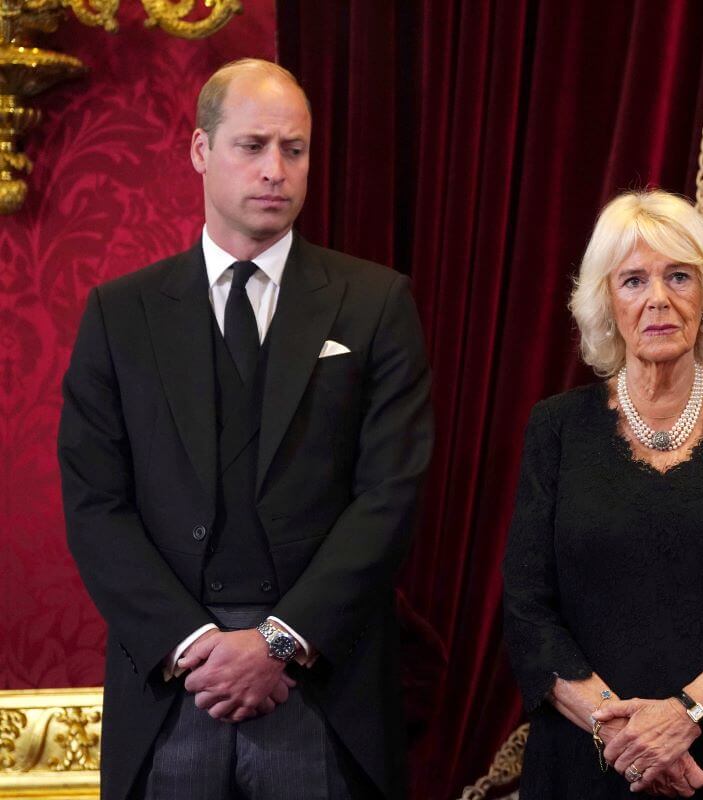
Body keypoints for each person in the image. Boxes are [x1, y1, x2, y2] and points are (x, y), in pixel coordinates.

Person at [58, 58, 432, 800]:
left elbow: (391, 495)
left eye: (294, 150)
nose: (275, 170)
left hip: (320, 683)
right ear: (201, 150)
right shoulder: (119, 314)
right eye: (252, 145)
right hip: (173, 686)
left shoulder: (375, 303)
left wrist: (278, 642)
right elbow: (95, 502)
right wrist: (194, 645)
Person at [502, 190, 703, 798]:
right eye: (632, 281)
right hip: (588, 759)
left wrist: (684, 717)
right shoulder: (557, 427)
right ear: (607, 302)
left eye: (679, 275)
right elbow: (526, 607)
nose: (658, 299)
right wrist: (629, 741)